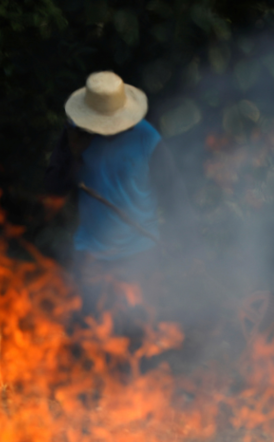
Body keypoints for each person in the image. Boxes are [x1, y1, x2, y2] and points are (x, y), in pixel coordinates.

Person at [45, 71, 196, 318]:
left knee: (137, 332)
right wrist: (73, 153)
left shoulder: (147, 139)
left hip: (140, 256)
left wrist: (191, 247)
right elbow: (54, 187)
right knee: (91, 335)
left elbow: (174, 195)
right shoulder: (76, 136)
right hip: (91, 256)